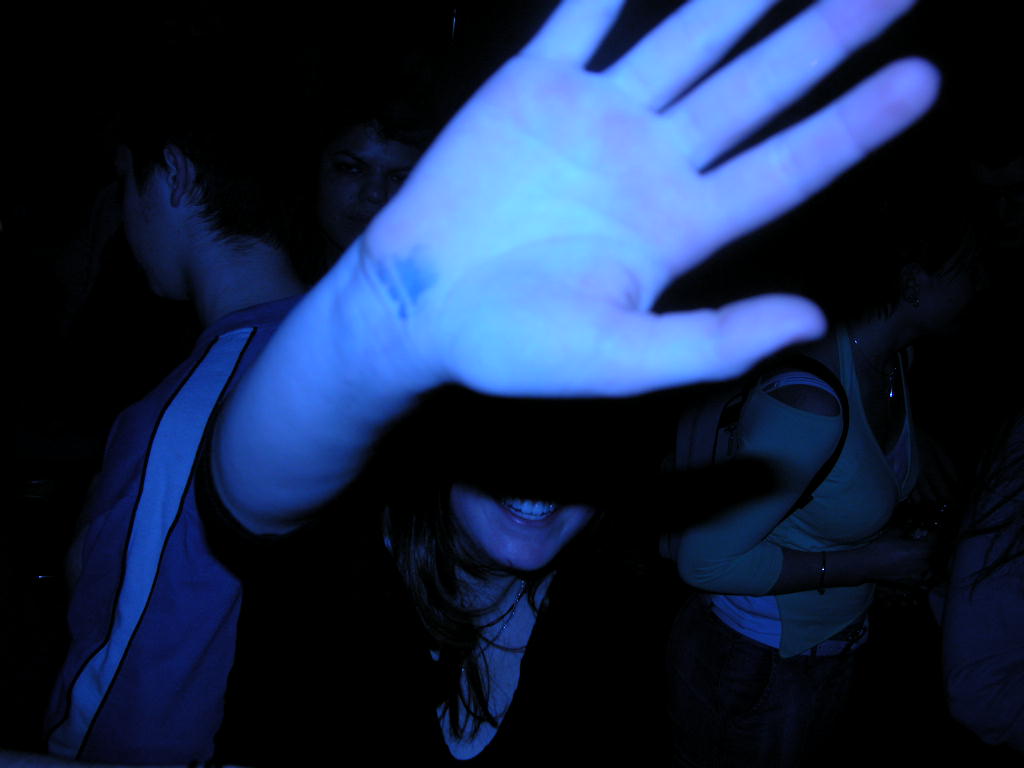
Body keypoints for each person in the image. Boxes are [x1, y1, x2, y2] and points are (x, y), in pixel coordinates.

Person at [193, 0, 941, 764]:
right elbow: (248, 499)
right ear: (444, 428)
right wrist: (373, 324)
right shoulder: (347, 574)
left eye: (584, 441)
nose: (544, 476)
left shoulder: (613, 619)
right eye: (512, 429)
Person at [42, 63, 306, 764]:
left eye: (125, 184)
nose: (122, 217)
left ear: (176, 176)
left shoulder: (201, 407)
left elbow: (130, 694)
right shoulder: (338, 354)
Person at [663, 198, 984, 764]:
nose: (982, 285)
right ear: (913, 283)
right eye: (970, 270)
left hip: (828, 647)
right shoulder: (810, 403)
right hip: (754, 663)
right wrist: (871, 563)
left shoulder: (894, 361)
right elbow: (702, 561)